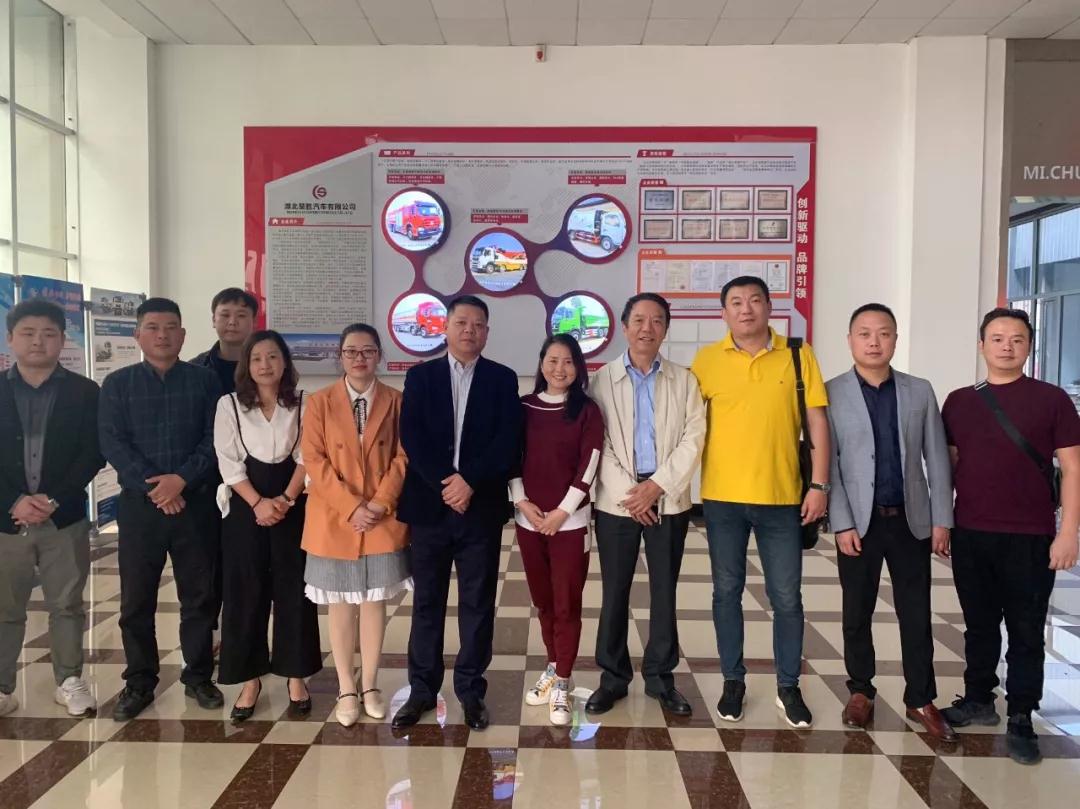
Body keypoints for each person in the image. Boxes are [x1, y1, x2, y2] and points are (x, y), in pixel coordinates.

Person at [940, 307, 1080, 765]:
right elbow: (949, 467)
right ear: (982, 345)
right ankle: (979, 698)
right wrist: (943, 522)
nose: (1007, 346)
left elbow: (1073, 468)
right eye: (997, 338)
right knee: (979, 624)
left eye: (1017, 339)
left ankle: (1021, 714)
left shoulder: (1052, 400)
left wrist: (1068, 533)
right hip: (971, 532)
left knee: (1025, 629)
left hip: (1031, 536)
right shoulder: (959, 402)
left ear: (1029, 347)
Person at [690, 276, 829, 729]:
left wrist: (820, 485)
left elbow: (817, 422)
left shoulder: (798, 354)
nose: (745, 309)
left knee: (786, 597)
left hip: (781, 497)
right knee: (726, 592)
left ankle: (789, 686)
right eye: (735, 302)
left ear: (770, 307)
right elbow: (689, 426)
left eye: (754, 300)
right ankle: (733, 680)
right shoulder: (707, 360)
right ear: (724, 313)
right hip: (722, 499)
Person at [826, 303, 957, 740]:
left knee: (916, 612)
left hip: (910, 520)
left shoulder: (919, 391)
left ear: (895, 340)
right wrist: (841, 522)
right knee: (856, 610)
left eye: (883, 333)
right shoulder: (831, 393)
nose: (874, 342)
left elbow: (937, 457)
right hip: (859, 523)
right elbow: (830, 464)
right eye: (864, 333)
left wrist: (942, 518)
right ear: (850, 340)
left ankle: (920, 697)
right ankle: (861, 691)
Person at [392, 296, 522, 731]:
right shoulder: (421, 376)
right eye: (461, 322)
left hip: (479, 509)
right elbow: (412, 435)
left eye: (478, 324)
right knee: (426, 602)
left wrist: (470, 481)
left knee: (477, 602)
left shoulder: (502, 379)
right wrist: (447, 484)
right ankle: (422, 690)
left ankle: (470, 689)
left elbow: (507, 441)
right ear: (445, 328)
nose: (469, 330)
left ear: (487, 332)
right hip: (430, 509)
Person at [99, 297, 224, 721]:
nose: (162, 335)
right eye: (153, 327)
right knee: (136, 601)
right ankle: (139, 681)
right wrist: (157, 487)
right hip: (141, 508)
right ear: (137, 335)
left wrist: (181, 480)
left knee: (199, 597)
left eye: (171, 327)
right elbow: (112, 442)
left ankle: (199, 676)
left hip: (195, 504)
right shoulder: (118, 384)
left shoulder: (205, 381)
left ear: (183, 334)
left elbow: (214, 438)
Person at [586, 293, 705, 717]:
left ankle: (660, 678)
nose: (646, 328)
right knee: (614, 590)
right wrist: (633, 494)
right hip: (618, 502)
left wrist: (656, 486)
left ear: (665, 330)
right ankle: (612, 678)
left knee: (663, 591)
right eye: (638, 319)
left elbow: (694, 437)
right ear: (624, 326)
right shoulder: (600, 380)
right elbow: (596, 442)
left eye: (656, 321)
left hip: (667, 499)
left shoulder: (684, 380)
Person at [302, 324, 412, 726]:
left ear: (379, 354)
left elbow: (403, 456)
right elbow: (314, 460)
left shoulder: (396, 401)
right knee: (340, 603)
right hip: (334, 517)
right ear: (340, 356)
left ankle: (370, 684)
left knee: (373, 602)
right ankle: (346, 687)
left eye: (367, 351)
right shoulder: (320, 402)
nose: (359, 358)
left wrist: (380, 503)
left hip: (382, 517)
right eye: (351, 351)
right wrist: (352, 506)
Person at [0, 300, 104, 718]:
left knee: (67, 604)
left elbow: (92, 452)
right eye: (28, 333)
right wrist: (13, 500)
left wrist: (53, 498)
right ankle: (3, 687)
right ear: (11, 339)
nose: (38, 341)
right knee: (5, 607)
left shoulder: (85, 392)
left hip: (64, 518)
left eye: (48, 333)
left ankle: (69, 680)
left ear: (63, 340)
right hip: (7, 519)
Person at [213, 330, 321, 722]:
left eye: (273, 356)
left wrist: (286, 500)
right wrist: (259, 503)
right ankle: (249, 680)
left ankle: (296, 676)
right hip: (246, 508)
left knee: (295, 591)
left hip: (293, 504)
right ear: (247, 365)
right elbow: (228, 461)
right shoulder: (229, 404)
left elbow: (309, 456)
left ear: (285, 362)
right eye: (257, 358)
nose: (265, 365)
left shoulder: (305, 401)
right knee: (245, 592)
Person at [511, 334, 604, 726]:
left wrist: (563, 512)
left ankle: (563, 679)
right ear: (541, 363)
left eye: (568, 361)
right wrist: (521, 501)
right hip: (529, 520)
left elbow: (590, 463)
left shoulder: (587, 410)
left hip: (570, 523)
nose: (559, 368)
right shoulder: (523, 407)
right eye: (552, 360)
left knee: (567, 602)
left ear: (578, 367)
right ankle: (553, 663)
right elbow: (511, 456)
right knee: (544, 601)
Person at [191, 288, 258, 395]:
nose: (232, 322)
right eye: (225, 315)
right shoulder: (195, 368)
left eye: (241, 315)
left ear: (254, 322)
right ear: (214, 320)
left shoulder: (269, 366)